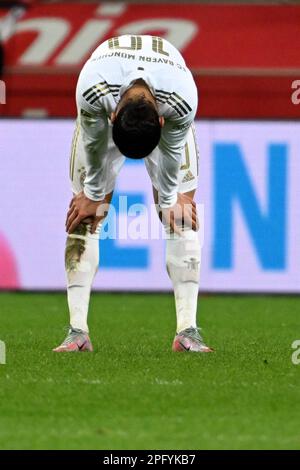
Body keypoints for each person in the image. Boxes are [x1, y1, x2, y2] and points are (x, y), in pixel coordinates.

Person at [53, 35, 212, 353]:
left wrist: (170, 200)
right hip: (105, 96)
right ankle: (77, 332)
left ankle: (188, 332)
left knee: (181, 214)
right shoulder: (92, 92)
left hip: (163, 95)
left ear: (162, 122)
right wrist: (92, 195)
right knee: (86, 215)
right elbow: (94, 145)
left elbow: (171, 156)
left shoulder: (180, 101)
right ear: (113, 118)